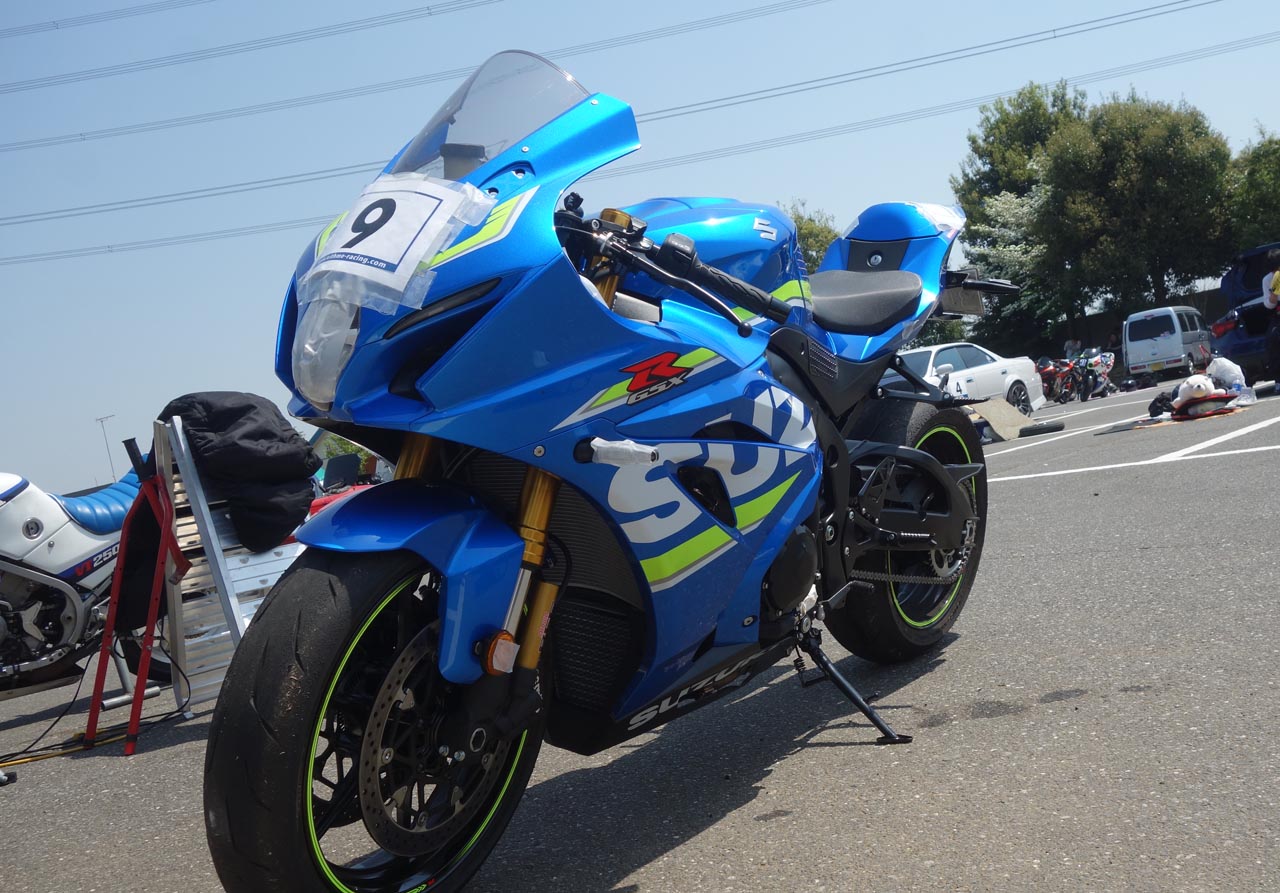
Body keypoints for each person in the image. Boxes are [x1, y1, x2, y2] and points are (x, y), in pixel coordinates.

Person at [1265, 248, 1280, 381]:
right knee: (1273, 339)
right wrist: (1273, 296)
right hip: (1277, 315)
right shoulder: (1267, 280)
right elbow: (1268, 305)